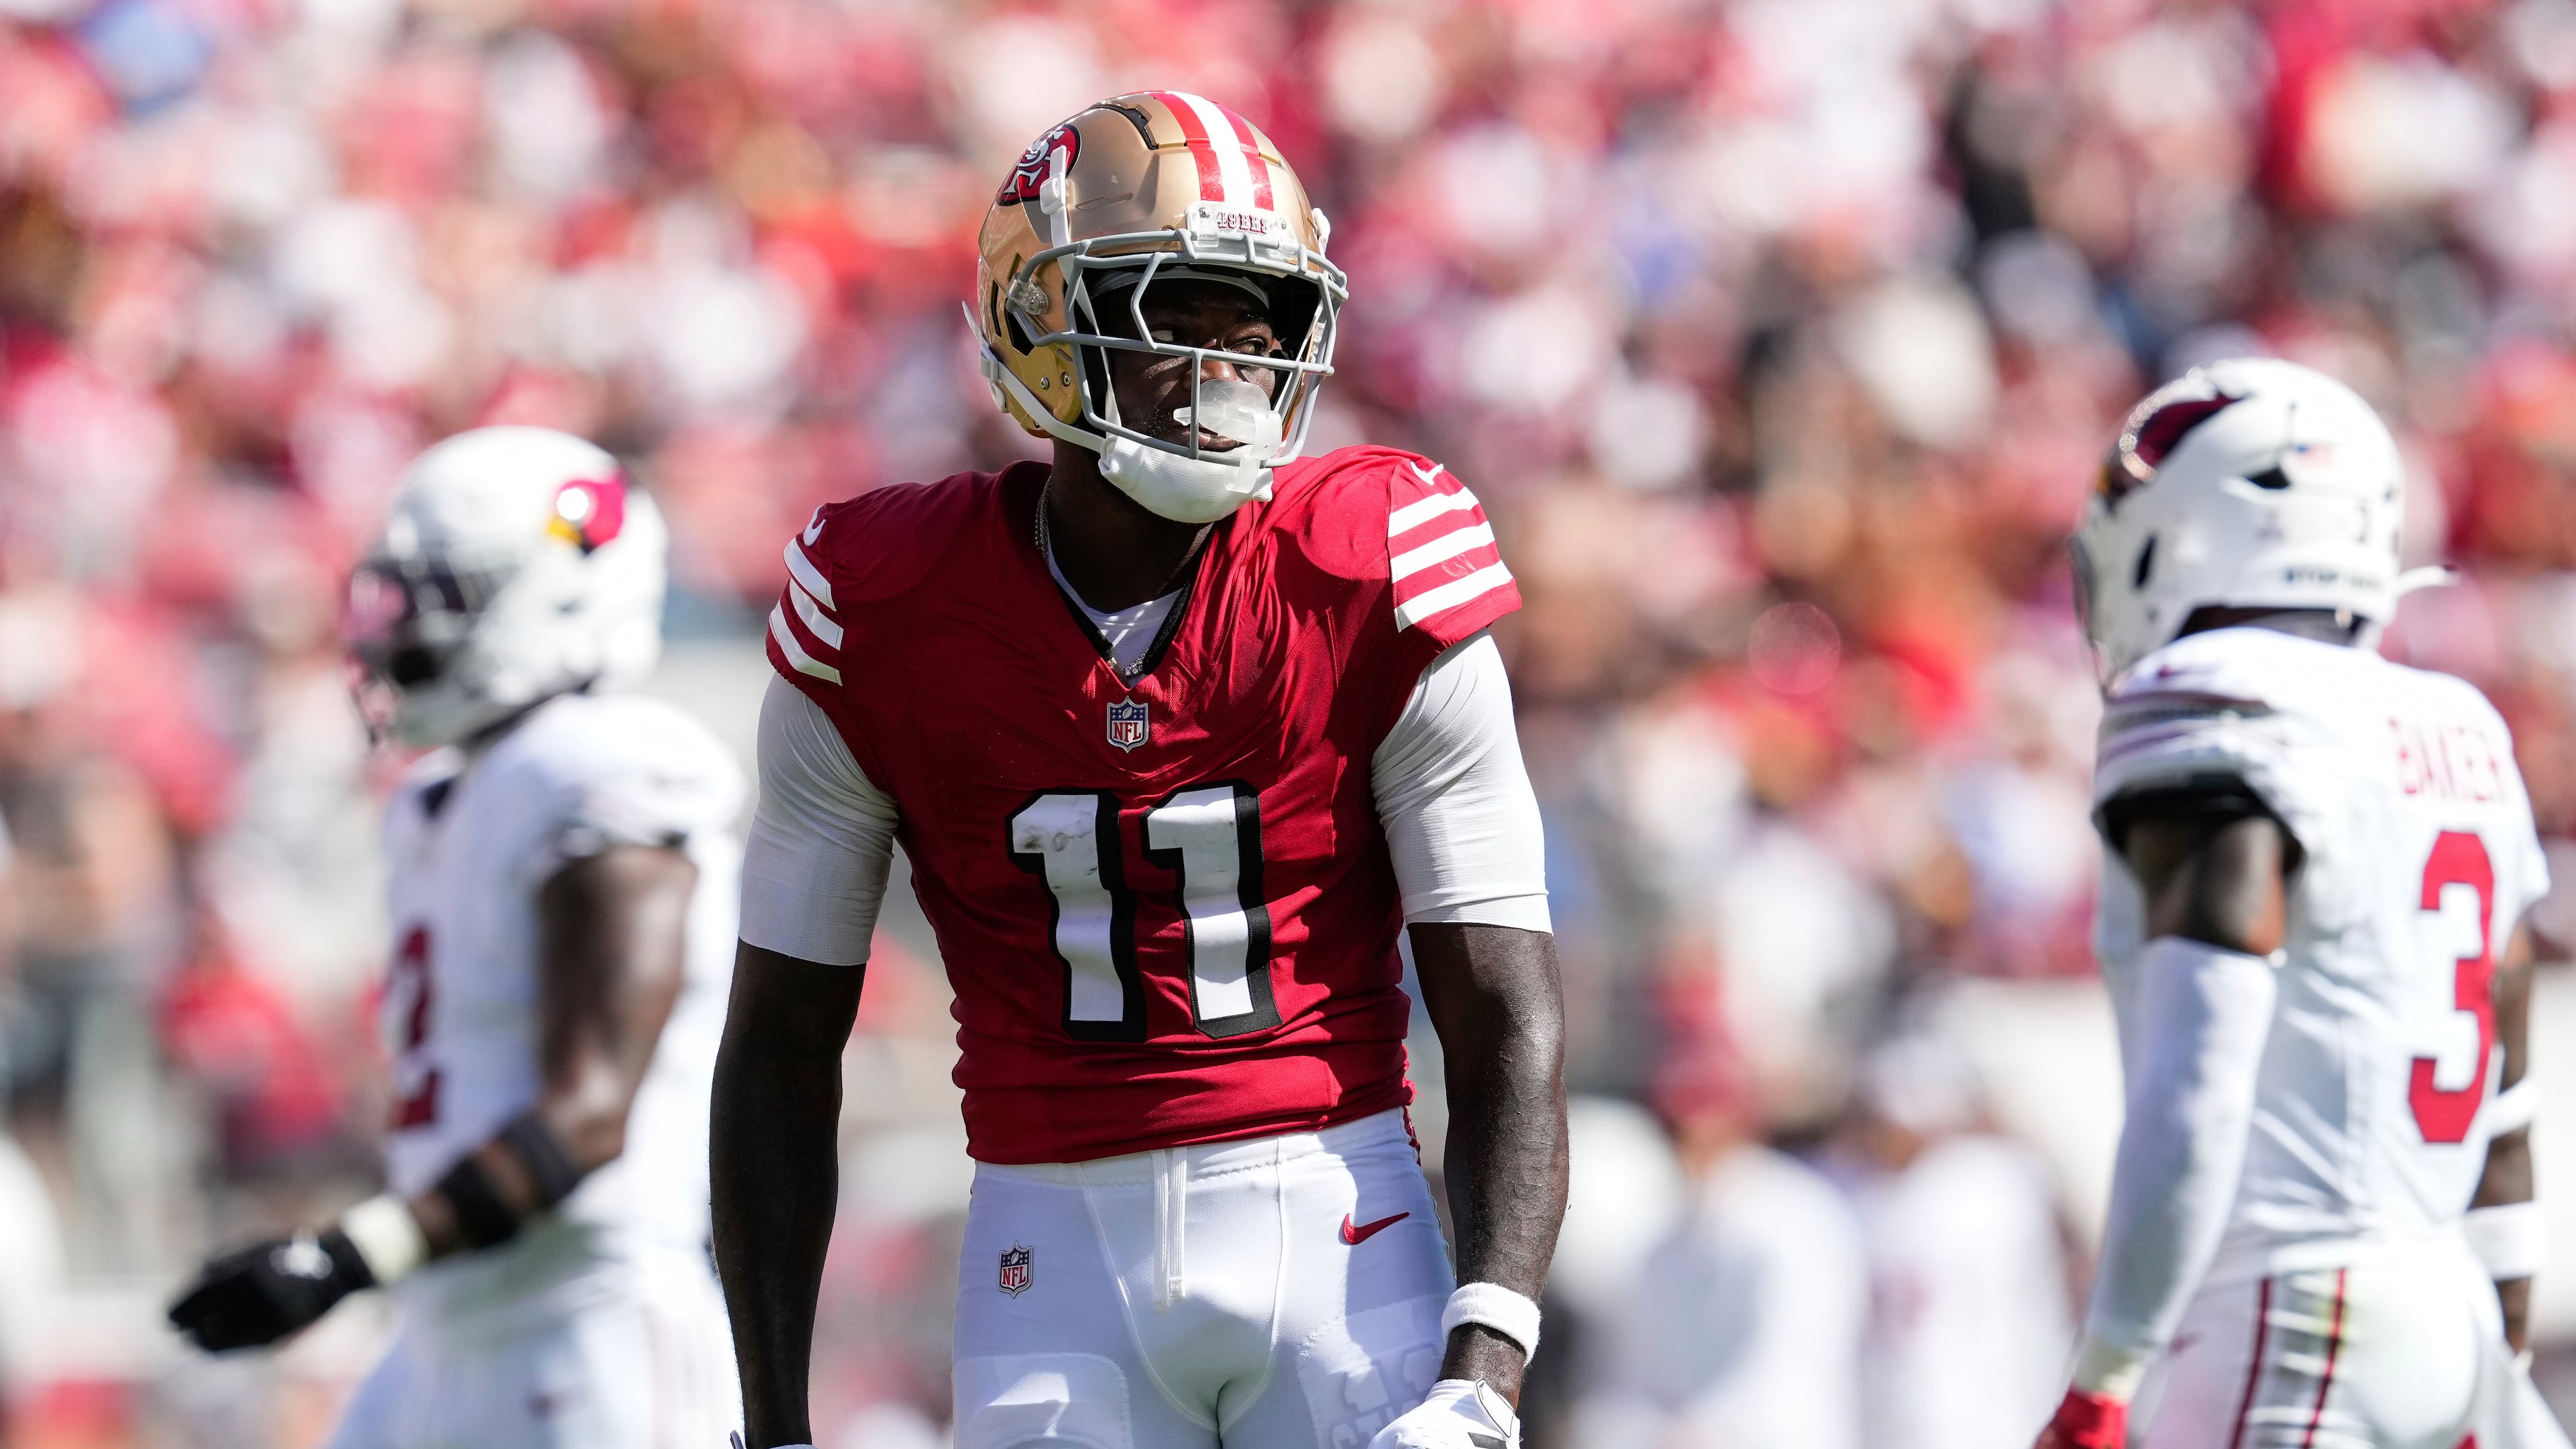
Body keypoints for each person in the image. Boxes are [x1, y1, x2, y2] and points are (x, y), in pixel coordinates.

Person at [714, 92, 1568, 1449]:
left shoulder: (1372, 568)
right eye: (1178, 307)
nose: (1231, 358)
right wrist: (774, 1424)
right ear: (1037, 326)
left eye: (1260, 316)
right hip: (1047, 1252)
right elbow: (778, 1044)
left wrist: (1485, 1366)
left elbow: (1505, 1012)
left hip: (1342, 1226)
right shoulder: (883, 611)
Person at [165, 427, 746, 1448]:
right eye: (402, 600)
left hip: (588, 1317)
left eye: (450, 598)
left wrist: (343, 1257)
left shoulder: (607, 764)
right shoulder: (440, 798)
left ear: (566, 590)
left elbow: (587, 1115)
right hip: (448, 1317)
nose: (404, 638)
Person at [2036, 360, 2563, 1448]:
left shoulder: (2217, 697)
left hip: (2290, 1312)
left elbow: (2202, 1077)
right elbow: (2506, 1108)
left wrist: (2108, 1368)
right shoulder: (2459, 725)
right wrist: (2499, 1356)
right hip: (2448, 1312)